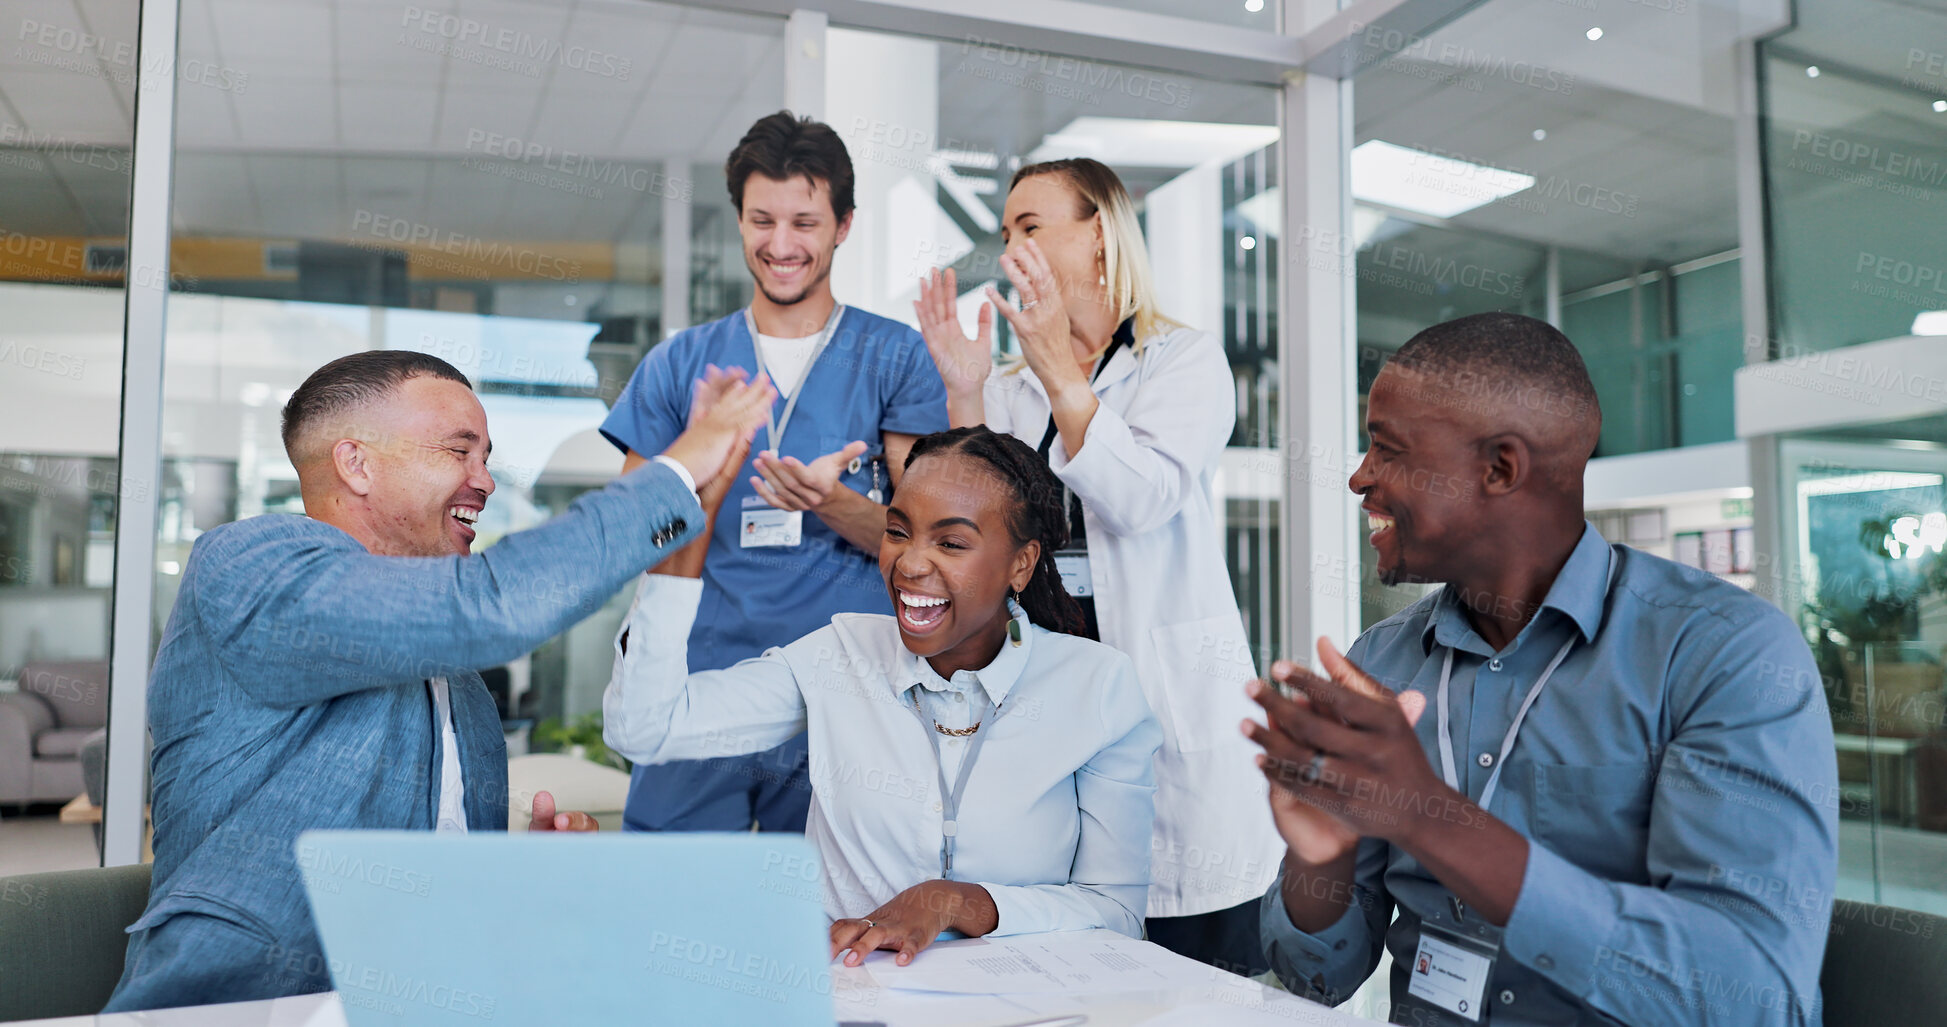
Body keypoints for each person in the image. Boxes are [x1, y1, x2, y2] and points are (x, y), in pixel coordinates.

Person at [104, 351, 775, 1012]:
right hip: (243, 1007)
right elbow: (491, 603)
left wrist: (512, 881)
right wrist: (681, 467)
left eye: (485, 456)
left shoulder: (453, 677)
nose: (484, 481)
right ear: (356, 463)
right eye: (459, 451)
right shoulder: (248, 562)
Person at [1244, 313, 1837, 1025]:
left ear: (1499, 468)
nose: (1359, 476)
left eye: (1387, 449)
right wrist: (1321, 858)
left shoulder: (1722, 653)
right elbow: (1315, 981)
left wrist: (1428, 815)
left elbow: (1754, 998)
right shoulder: (1381, 661)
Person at [913, 157, 1283, 974]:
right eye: (1005, 232)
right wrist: (965, 396)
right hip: (1057, 714)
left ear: (1101, 237)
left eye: (1033, 227)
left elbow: (1141, 497)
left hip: (1168, 723)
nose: (1012, 248)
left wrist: (1058, 369)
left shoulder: (1183, 361)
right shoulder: (1012, 392)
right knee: (1074, 978)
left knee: (1200, 981)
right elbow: (973, 535)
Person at [604, 425, 1160, 966]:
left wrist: (957, 901)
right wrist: (680, 541)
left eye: (951, 542)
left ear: (1021, 563)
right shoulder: (838, 656)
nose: (911, 564)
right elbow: (646, 728)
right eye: (898, 532)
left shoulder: (1098, 686)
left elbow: (1116, 912)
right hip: (858, 1001)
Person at [601, 111, 948, 836]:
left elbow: (926, 547)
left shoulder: (895, 358)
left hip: (846, 688)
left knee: (833, 923)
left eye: (805, 223)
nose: (781, 245)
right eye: (761, 220)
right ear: (737, 220)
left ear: (844, 225)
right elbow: (626, 532)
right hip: (698, 684)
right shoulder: (679, 362)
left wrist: (831, 503)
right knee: (674, 911)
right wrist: (693, 459)